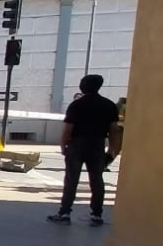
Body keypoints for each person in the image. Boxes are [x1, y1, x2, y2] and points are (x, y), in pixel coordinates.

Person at [48, 74, 121, 226]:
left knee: (71, 179)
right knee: (97, 180)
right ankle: (96, 214)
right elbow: (113, 131)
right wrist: (112, 150)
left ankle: (65, 212)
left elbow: (68, 129)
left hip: (77, 144)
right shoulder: (109, 105)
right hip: (97, 145)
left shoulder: (77, 105)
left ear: (84, 86)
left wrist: (63, 146)